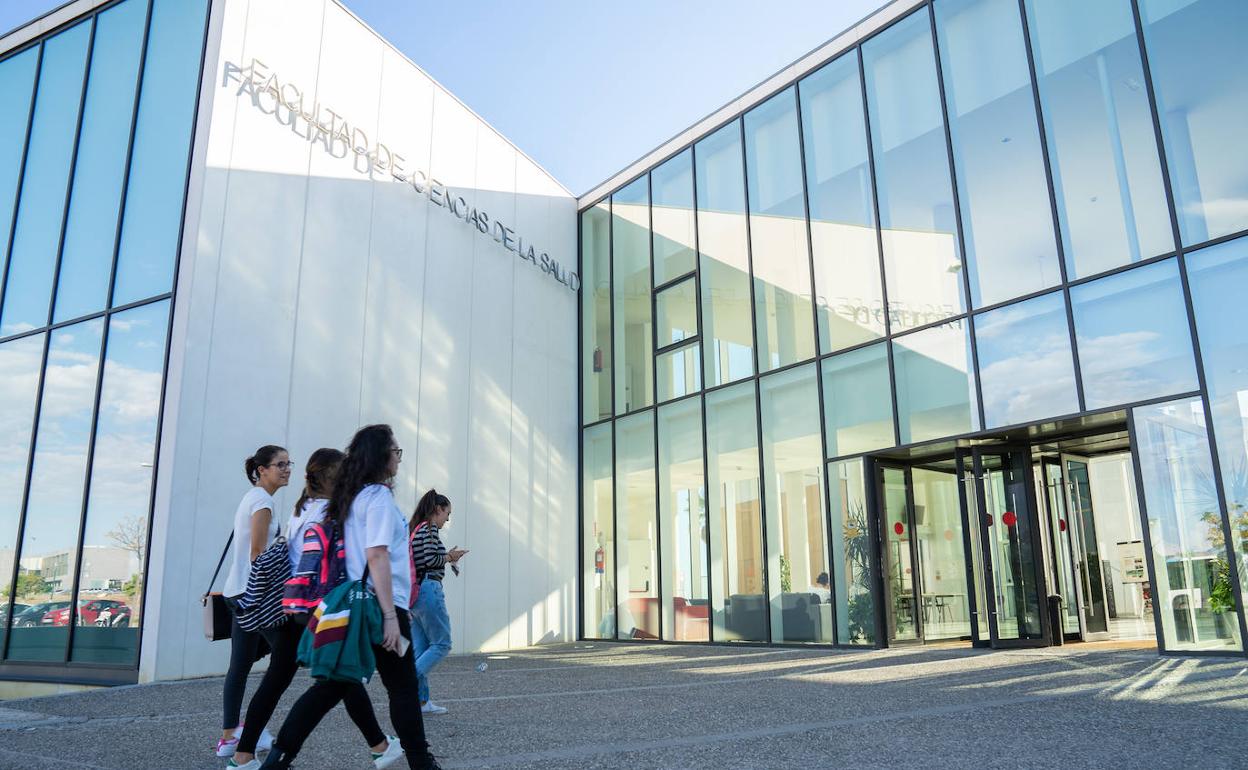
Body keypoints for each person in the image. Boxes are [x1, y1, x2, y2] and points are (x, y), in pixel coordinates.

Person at [260, 425, 441, 770]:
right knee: (401, 687)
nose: (399, 458)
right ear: (381, 457)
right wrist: (391, 615)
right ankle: (422, 762)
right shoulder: (378, 499)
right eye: (396, 451)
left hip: (353, 608)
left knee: (331, 687)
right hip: (381, 609)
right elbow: (377, 556)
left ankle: (278, 759)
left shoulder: (348, 499)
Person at [228, 448, 403, 770]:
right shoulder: (328, 514)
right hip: (316, 609)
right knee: (338, 675)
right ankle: (378, 745)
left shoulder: (302, 509)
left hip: (292, 606)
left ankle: (242, 756)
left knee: (303, 679)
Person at [217, 445, 289, 758]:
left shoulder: (255, 498)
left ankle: (230, 735)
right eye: (280, 464)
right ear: (262, 470)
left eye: (289, 464)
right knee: (288, 652)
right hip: (253, 594)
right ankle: (247, 737)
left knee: (240, 665)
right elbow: (258, 554)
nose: (287, 469)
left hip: (238, 591)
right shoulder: (262, 501)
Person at [408, 490, 467, 715]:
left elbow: (425, 557)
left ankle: (422, 702)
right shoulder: (430, 528)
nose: (448, 519)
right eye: (447, 513)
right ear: (437, 510)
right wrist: (450, 557)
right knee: (442, 644)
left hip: (415, 594)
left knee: (421, 648)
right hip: (429, 590)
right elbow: (430, 560)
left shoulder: (416, 530)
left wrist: (447, 556)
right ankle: (407, 683)